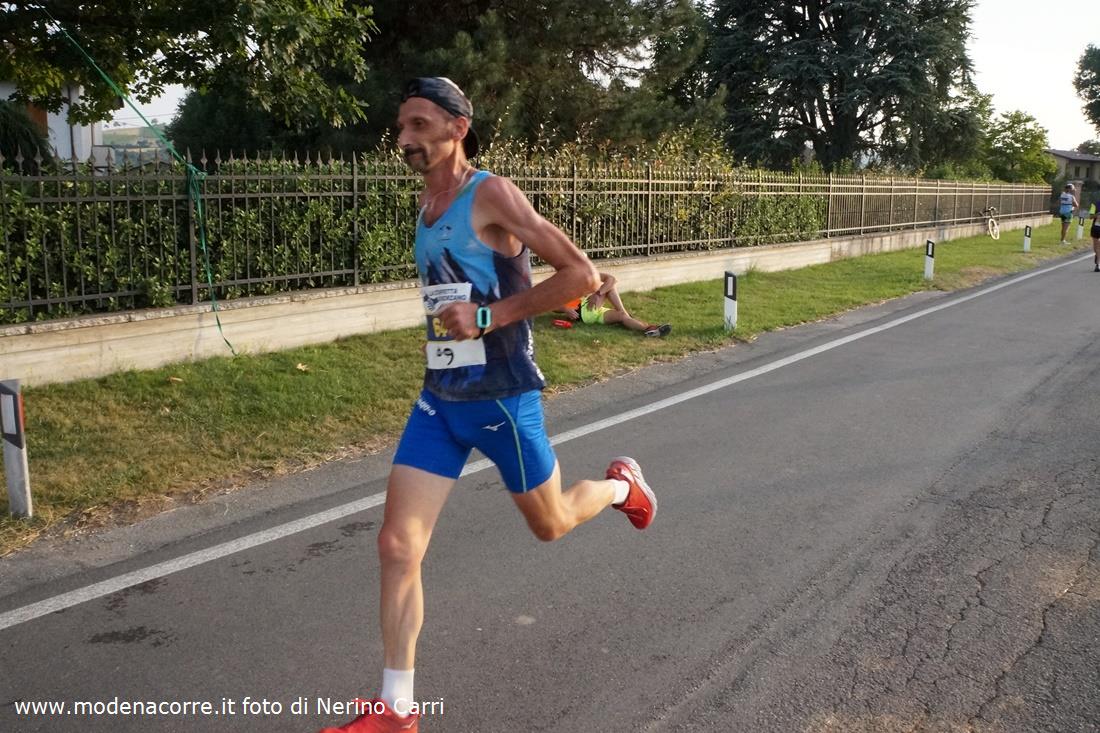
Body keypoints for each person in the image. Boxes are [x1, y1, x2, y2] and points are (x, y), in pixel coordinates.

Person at [317, 77, 657, 733]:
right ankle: (396, 710)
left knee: (551, 523)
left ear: (458, 128)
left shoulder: (491, 193)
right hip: (440, 398)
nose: (404, 138)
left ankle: (623, 487)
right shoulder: (427, 203)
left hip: (502, 396)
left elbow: (581, 276)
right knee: (397, 545)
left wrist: (488, 315)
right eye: (401, 126)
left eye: (418, 125)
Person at [560, 271, 671, 337]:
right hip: (583, 310)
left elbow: (612, 278)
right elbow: (553, 305)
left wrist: (597, 294)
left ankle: (649, 329)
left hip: (595, 312)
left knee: (621, 316)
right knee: (609, 287)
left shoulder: (589, 273)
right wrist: (566, 309)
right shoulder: (568, 280)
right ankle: (626, 313)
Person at [1091, 202, 1099, 272]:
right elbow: (1090, 216)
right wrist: (1097, 215)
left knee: (1098, 247)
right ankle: (1097, 255)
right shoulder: (1094, 205)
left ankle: (1098, 265)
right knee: (1095, 247)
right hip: (1096, 228)